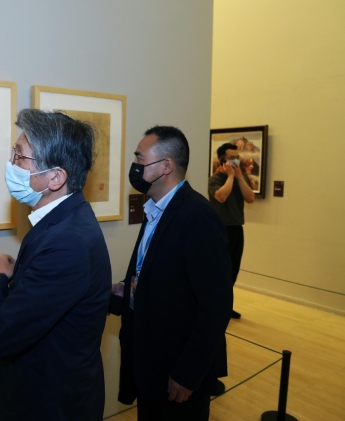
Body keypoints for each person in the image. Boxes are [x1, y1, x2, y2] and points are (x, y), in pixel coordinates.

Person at [0, 109, 112, 421]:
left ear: (55, 177)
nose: (11, 164)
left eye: (20, 156)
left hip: (49, 405)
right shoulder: (64, 220)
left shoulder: (67, 242)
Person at [109, 125, 232, 420]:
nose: (134, 166)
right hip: (151, 363)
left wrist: (188, 374)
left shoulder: (198, 217)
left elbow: (215, 307)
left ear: (166, 166)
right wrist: (127, 287)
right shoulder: (156, 209)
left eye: (140, 159)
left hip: (177, 370)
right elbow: (164, 273)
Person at [208, 143, 255, 319]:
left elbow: (250, 198)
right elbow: (221, 196)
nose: (236, 161)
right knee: (219, 271)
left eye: (238, 157)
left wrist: (239, 177)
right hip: (220, 230)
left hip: (236, 228)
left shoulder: (241, 177)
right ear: (222, 160)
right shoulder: (215, 179)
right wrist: (229, 177)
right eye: (232, 158)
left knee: (233, 270)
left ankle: (226, 306)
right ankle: (214, 307)